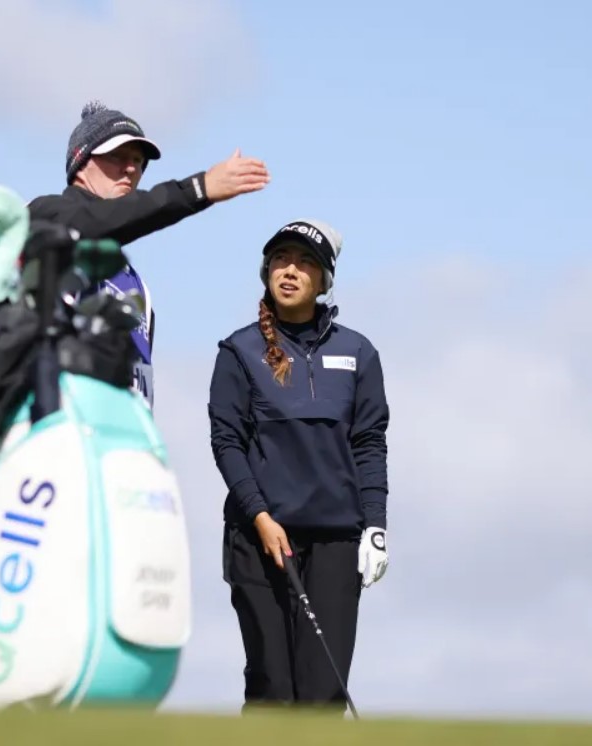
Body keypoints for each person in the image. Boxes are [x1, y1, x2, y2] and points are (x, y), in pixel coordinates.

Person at [207, 218, 391, 713]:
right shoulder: (239, 351)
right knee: (271, 686)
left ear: (324, 280)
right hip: (258, 538)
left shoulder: (357, 352)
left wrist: (376, 526)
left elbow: (369, 444)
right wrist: (261, 517)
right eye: (282, 260)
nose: (290, 271)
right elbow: (227, 443)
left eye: (305, 262)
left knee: (322, 693)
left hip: (334, 541)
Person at [28, 100, 270, 408]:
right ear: (81, 161)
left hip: (122, 442)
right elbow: (96, 223)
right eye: (117, 155)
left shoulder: (135, 284)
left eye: (139, 161)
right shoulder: (47, 217)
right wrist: (199, 189)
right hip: (58, 433)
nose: (131, 168)